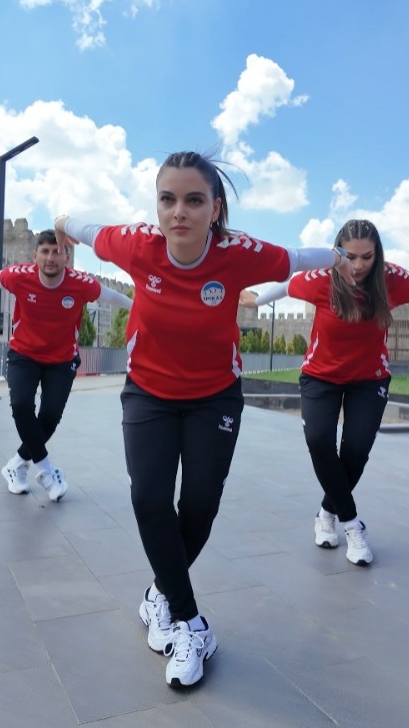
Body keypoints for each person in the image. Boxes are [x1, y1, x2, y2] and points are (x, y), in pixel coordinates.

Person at [53, 150, 354, 689]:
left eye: (194, 200)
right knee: (149, 499)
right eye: (168, 199)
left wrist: (338, 257)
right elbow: (87, 229)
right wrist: (61, 222)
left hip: (215, 397)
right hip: (148, 392)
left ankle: (159, 596)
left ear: (215, 209)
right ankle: (191, 624)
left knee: (198, 507)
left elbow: (294, 256)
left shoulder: (239, 254)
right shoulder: (137, 244)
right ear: (157, 204)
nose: (179, 212)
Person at [240, 219, 409, 567]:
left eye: (367, 257)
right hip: (321, 377)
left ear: (377, 255)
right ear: (337, 253)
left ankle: (327, 512)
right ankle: (352, 523)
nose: (358, 265)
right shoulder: (322, 279)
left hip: (369, 380)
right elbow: (286, 286)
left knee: (356, 452)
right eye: (350, 256)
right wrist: (256, 302)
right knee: (319, 441)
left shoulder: (391, 279)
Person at [0, 229, 132, 502]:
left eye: (57, 252)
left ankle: (16, 464)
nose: (51, 258)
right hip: (24, 354)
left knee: (50, 416)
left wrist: (140, 307)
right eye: (45, 252)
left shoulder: (80, 283)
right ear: (35, 256)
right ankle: (47, 471)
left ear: (66, 257)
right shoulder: (19, 276)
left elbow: (111, 296)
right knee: (21, 405)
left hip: (62, 360)